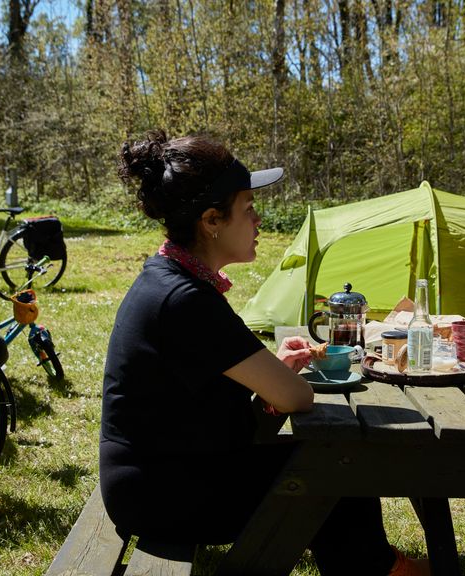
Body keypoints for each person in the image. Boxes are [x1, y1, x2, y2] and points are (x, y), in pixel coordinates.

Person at [101, 129, 428, 576]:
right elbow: (299, 398)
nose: (258, 221)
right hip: (162, 494)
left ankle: (377, 566)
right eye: (249, 210)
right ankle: (384, 570)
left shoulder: (171, 279)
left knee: (327, 470)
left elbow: (210, 382)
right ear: (212, 220)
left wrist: (272, 371)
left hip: (163, 474)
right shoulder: (184, 299)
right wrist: (281, 381)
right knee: (333, 471)